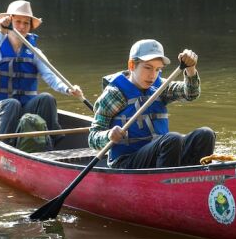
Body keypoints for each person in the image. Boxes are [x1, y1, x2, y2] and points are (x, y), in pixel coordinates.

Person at [88, 39, 215, 168]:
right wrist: (108, 135)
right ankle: (166, 183)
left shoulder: (160, 87)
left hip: (162, 154)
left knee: (205, 134)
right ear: (131, 65)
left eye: (157, 69)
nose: (152, 75)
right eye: (148, 68)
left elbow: (191, 94)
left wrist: (191, 69)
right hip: (127, 161)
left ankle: (196, 176)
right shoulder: (115, 94)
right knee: (172, 139)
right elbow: (93, 139)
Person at [0, 0, 84, 144]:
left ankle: (54, 141)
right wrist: (2, 32)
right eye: (18, 22)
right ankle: (6, 145)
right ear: (9, 22)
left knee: (46, 98)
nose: (22, 27)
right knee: (11, 104)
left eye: (26, 23)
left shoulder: (34, 52)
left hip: (19, 110)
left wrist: (68, 89)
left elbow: (51, 77)